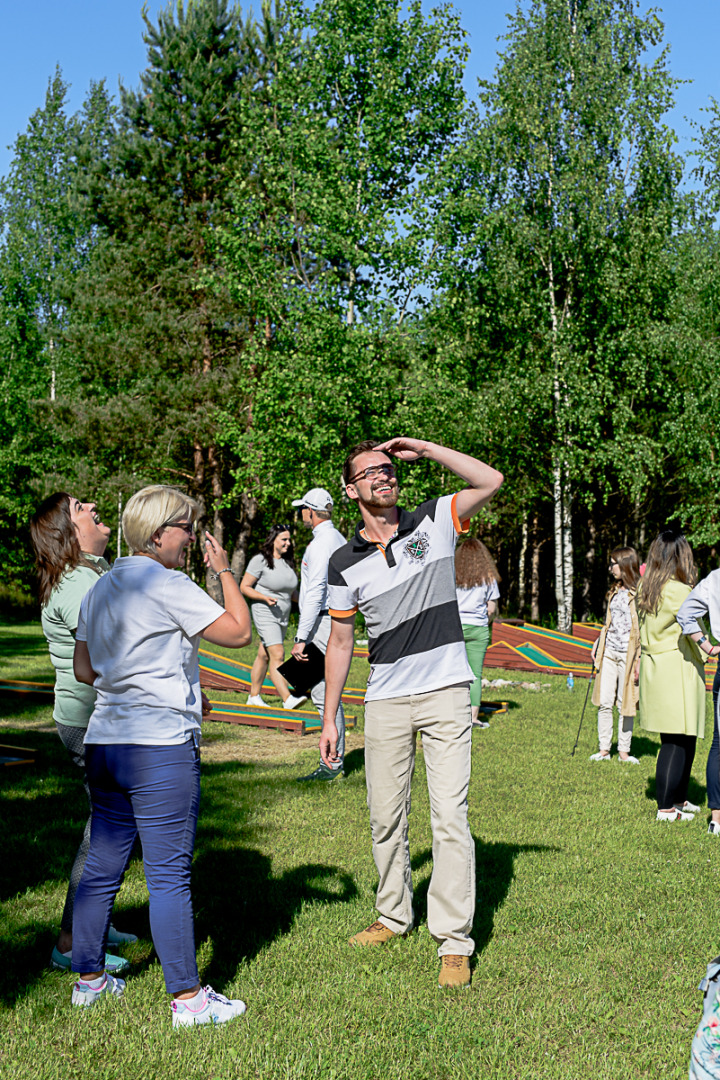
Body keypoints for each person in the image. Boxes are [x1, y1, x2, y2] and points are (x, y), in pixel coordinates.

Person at [323, 437, 503, 989]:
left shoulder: (434, 520)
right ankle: (394, 915)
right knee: (385, 817)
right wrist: (330, 716)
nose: (383, 477)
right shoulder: (342, 561)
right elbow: (339, 642)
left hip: (447, 691)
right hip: (384, 700)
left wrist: (424, 448)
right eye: (369, 473)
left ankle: (454, 940)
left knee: (450, 817)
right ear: (351, 490)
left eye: (387, 468)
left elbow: (489, 480)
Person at [70, 485, 252, 1026]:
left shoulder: (101, 587)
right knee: (168, 874)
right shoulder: (170, 583)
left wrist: (159, 681)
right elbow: (239, 632)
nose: (194, 537)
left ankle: (89, 982)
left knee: (102, 866)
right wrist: (224, 573)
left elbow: (84, 670)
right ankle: (189, 1000)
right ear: (158, 534)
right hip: (159, 748)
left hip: (106, 741)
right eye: (186, 527)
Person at [29, 493, 136, 976]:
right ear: (67, 531)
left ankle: (94, 921)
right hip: (91, 723)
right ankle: (71, 942)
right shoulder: (76, 584)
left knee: (116, 829)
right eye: (79, 506)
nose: (91, 505)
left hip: (105, 718)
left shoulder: (93, 570)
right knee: (106, 834)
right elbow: (107, 649)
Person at [636, 530, 706, 822]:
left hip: (655, 665)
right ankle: (666, 808)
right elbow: (695, 627)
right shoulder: (679, 590)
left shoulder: (646, 587)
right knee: (677, 740)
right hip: (677, 666)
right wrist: (709, 648)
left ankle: (678, 797)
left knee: (680, 736)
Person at [289, 488, 347, 781]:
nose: (301, 514)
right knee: (325, 691)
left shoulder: (319, 545)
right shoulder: (339, 539)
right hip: (338, 618)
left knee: (325, 694)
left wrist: (301, 636)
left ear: (311, 511)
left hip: (323, 620)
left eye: (302, 509)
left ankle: (332, 764)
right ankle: (333, 760)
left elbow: (313, 594)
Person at [240, 523, 305, 710]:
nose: (288, 543)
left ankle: (253, 696)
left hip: (282, 616)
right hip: (264, 612)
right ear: (273, 540)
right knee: (278, 654)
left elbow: (291, 592)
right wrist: (263, 597)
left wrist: (307, 605)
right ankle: (287, 698)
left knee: (264, 655)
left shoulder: (287, 562)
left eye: (289, 539)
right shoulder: (260, 560)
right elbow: (245, 587)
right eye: (284, 539)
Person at [588, 546, 641, 764]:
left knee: (625, 702)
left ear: (626, 564)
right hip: (609, 651)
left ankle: (624, 751)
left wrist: (639, 658)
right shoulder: (615, 591)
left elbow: (642, 628)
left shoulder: (639, 593)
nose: (611, 568)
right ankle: (603, 749)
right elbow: (610, 624)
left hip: (628, 655)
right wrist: (598, 643)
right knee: (605, 701)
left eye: (614, 563)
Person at [676, 571, 720, 835]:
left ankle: (717, 819)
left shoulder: (716, 578)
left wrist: (707, 646)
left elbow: (685, 613)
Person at [455, 538, 501, 729]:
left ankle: (453, 714)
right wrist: (485, 621)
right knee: (475, 674)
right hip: (478, 628)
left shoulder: (453, 574)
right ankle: (473, 718)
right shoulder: (488, 577)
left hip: (455, 627)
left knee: (453, 673)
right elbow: (491, 608)